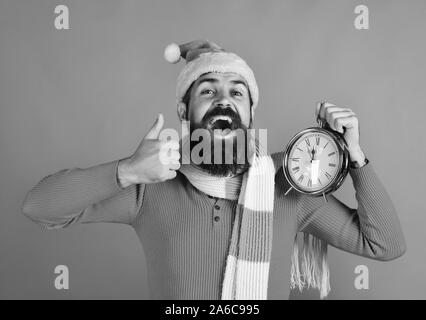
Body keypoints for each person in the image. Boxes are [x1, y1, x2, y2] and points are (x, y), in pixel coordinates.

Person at [22, 40, 406, 300]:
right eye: (208, 90)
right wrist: (127, 171)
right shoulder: (152, 184)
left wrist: (353, 154)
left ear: (250, 112)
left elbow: (384, 245)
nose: (224, 100)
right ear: (183, 111)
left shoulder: (286, 185)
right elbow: (40, 208)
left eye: (237, 92)